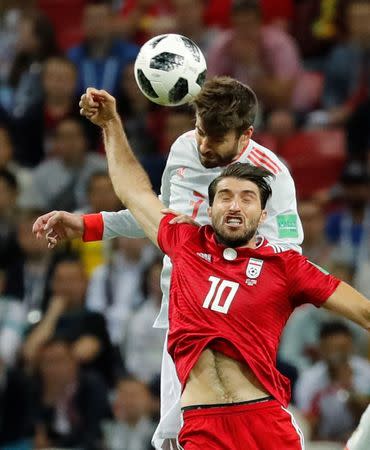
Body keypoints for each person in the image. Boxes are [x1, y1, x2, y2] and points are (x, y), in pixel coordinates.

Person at [38, 88, 370, 449]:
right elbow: (134, 192)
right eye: (224, 196)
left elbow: (364, 311)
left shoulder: (283, 266)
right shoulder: (185, 243)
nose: (234, 205)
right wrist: (111, 124)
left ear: (263, 215)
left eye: (247, 199)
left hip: (265, 422)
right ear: (205, 212)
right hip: (203, 428)